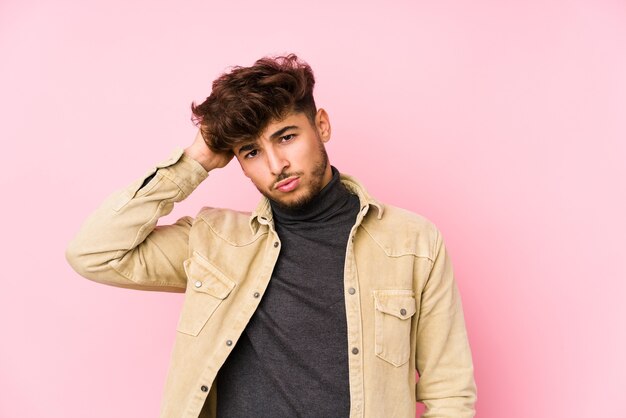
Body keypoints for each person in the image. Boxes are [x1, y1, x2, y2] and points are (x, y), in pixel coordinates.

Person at [66, 54, 477, 418]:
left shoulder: (413, 243)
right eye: (251, 151)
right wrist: (196, 161)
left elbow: (450, 393)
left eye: (286, 137)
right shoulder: (214, 242)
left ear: (322, 125)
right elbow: (93, 253)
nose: (276, 164)